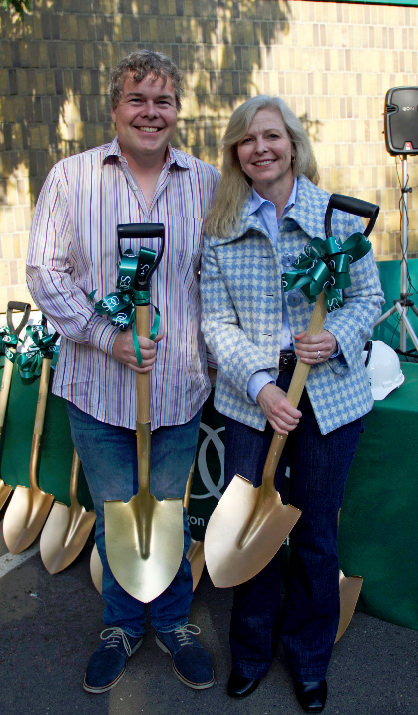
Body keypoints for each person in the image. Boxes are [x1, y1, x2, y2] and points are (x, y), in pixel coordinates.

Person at [26, 49, 219, 694]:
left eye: (163, 101)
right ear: (115, 107)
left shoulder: (208, 183)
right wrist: (105, 336)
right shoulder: (71, 179)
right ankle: (120, 623)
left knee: (165, 508)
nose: (151, 112)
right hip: (98, 391)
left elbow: (216, 281)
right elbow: (45, 274)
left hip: (178, 391)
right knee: (115, 512)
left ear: (176, 112)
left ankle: (170, 619)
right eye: (138, 99)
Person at [200, 95, 384, 713]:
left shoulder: (338, 218)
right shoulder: (221, 224)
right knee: (248, 526)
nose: (261, 148)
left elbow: (367, 299)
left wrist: (336, 336)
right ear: (235, 153)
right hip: (254, 396)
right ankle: (250, 654)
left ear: (293, 144)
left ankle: (309, 659)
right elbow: (215, 320)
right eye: (247, 140)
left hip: (328, 391)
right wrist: (262, 385)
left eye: (272, 136)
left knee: (313, 534)